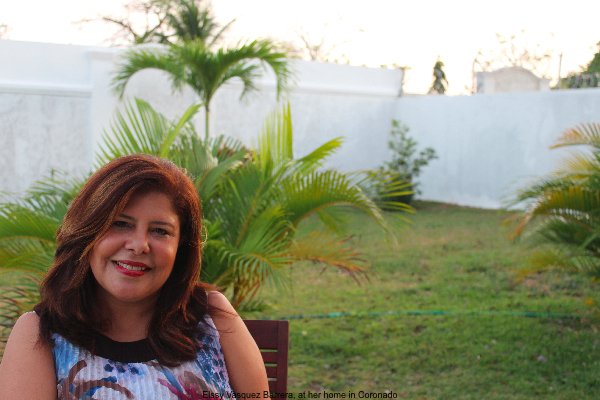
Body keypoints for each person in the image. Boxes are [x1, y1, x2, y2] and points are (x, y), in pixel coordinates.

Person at [0, 154, 268, 399]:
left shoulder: (213, 319)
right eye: (120, 224)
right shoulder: (40, 334)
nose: (139, 245)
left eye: (160, 231)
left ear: (181, 246)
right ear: (87, 231)